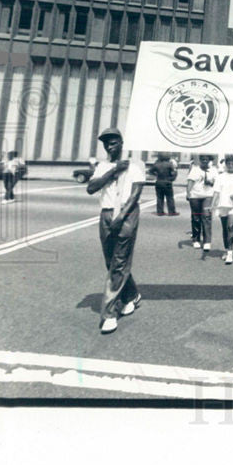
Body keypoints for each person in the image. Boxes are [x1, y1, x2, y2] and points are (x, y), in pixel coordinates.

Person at [85, 127, 145, 334]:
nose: (109, 147)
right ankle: (131, 295)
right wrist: (113, 171)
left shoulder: (135, 166)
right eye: (106, 144)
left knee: (119, 263)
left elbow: (136, 194)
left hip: (126, 215)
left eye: (113, 142)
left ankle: (109, 313)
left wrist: (121, 217)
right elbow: (91, 188)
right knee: (111, 261)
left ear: (121, 143)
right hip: (106, 213)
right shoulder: (103, 166)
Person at [185, 155, 216, 250]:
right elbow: (190, 182)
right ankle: (196, 239)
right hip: (195, 196)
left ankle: (207, 241)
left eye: (206, 159)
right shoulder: (195, 169)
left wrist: (211, 182)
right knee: (196, 217)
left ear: (209, 160)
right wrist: (188, 193)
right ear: (200, 160)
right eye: (203, 160)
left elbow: (217, 183)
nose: (205, 161)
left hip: (208, 196)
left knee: (206, 217)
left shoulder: (214, 170)